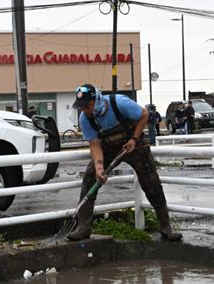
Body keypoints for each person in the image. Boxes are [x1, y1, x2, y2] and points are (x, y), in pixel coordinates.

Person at [67, 84, 182, 242]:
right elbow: (94, 144)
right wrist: (99, 168)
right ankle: (83, 227)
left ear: (97, 99)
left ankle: (166, 227)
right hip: (108, 147)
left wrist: (134, 138)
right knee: (89, 178)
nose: (86, 110)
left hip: (133, 144)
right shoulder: (85, 119)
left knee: (151, 182)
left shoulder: (119, 103)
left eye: (88, 105)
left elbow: (144, 114)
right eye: (82, 107)